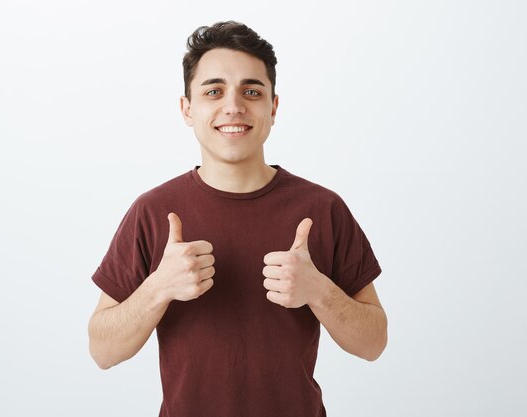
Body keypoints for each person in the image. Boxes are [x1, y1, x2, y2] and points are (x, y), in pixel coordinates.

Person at [88, 21, 387, 417]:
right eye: (214, 91)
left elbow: (374, 343)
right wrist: (158, 288)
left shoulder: (322, 209)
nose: (233, 106)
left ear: (273, 107)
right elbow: (102, 351)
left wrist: (318, 291)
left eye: (251, 91)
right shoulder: (152, 211)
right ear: (187, 109)